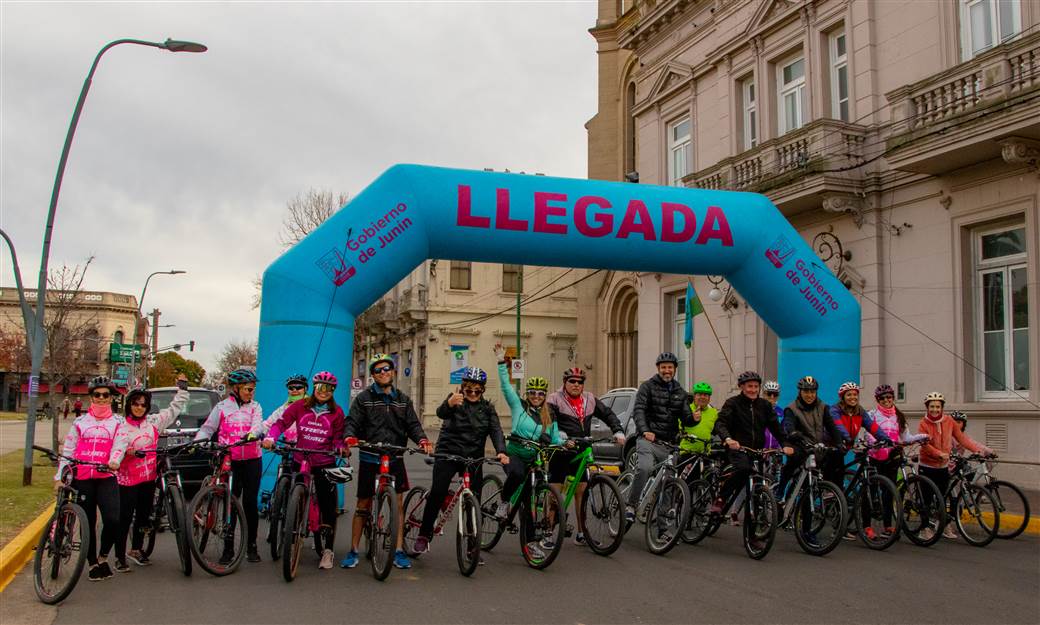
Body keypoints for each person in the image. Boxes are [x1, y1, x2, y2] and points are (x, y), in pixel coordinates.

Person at [341, 354, 432, 570]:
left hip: (395, 457)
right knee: (363, 504)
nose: (384, 372)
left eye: (387, 368)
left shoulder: (403, 400)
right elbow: (352, 422)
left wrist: (422, 440)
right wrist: (350, 436)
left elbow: (413, 425)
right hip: (370, 456)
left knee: (397, 505)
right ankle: (353, 550)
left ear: (393, 371)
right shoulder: (363, 398)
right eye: (379, 370)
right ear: (373, 375)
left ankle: (398, 550)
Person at [414, 365, 509, 555]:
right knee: (438, 492)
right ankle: (424, 535)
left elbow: (496, 431)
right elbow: (441, 413)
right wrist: (449, 403)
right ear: (463, 387)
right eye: (469, 389)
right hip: (448, 453)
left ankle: (472, 546)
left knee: (473, 501)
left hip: (473, 458)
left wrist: (501, 451)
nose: (473, 393)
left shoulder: (488, 409)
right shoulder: (454, 400)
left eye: (477, 390)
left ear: (482, 389)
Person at [262, 371, 347, 570]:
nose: (324, 391)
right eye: (320, 387)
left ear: (333, 391)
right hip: (300, 458)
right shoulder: (300, 406)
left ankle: (328, 551)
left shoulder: (337, 412)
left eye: (329, 388)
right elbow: (281, 423)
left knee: (328, 506)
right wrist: (271, 438)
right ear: (314, 387)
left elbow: (337, 438)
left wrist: (340, 448)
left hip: (324, 462)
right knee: (292, 493)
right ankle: (292, 528)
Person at [491, 344, 563, 561]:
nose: (535, 396)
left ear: (544, 396)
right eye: (532, 393)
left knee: (529, 502)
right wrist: (500, 361)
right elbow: (506, 387)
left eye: (540, 394)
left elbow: (556, 437)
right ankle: (504, 502)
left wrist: (562, 443)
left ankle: (530, 544)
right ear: (527, 394)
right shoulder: (518, 406)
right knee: (517, 474)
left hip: (535, 460)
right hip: (514, 453)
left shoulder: (549, 415)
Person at [112, 374, 189, 572]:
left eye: (143, 405)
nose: (139, 408)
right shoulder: (121, 426)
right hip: (126, 481)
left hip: (147, 478)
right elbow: (114, 450)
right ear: (129, 405)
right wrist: (124, 454)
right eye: (135, 404)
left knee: (143, 516)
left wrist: (182, 390)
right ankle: (119, 556)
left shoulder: (153, 423)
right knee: (125, 518)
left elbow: (173, 411)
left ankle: (136, 549)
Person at [56, 376, 127, 581]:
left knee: (113, 519)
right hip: (83, 477)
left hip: (107, 475)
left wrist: (114, 460)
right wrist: (59, 475)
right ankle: (92, 563)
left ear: (111, 398)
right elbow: (69, 450)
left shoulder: (118, 422)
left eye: (106, 395)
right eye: (97, 394)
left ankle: (104, 556)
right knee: (88, 522)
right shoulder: (79, 422)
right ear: (91, 397)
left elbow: (120, 444)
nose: (102, 398)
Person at [546, 366, 625, 546]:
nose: (576, 385)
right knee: (554, 494)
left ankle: (582, 534)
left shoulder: (589, 399)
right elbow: (550, 420)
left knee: (581, 493)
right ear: (564, 383)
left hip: (581, 450)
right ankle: (548, 532)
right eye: (572, 381)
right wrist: (559, 436)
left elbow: (607, 414)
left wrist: (618, 430)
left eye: (579, 382)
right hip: (561, 450)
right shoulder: (554, 399)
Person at [194, 368, 264, 563]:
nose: (251, 393)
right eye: (248, 389)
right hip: (230, 459)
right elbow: (208, 428)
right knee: (230, 503)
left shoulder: (255, 407)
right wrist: (197, 442)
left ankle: (251, 545)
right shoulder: (222, 407)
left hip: (252, 459)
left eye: (253, 389)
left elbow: (259, 424)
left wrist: (252, 434)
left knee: (250, 503)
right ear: (236, 388)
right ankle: (229, 548)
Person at [626, 352, 695, 522]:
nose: (667, 370)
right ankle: (631, 505)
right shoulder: (647, 387)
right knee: (644, 468)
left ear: (675, 369)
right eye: (663, 367)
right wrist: (644, 430)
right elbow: (639, 410)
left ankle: (662, 523)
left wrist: (693, 419)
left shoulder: (680, 391)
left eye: (670, 367)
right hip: (648, 440)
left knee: (670, 482)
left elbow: (685, 418)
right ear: (658, 369)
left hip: (669, 444)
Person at [713, 371, 793, 516]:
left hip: (757, 451)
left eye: (756, 386)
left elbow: (776, 427)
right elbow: (721, 423)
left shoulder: (764, 406)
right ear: (741, 387)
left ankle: (754, 532)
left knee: (756, 487)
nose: (753, 390)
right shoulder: (733, 403)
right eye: (749, 386)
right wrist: (728, 439)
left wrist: (785, 444)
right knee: (744, 469)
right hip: (738, 448)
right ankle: (721, 498)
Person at [917, 392, 993, 540]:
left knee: (942, 497)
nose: (935, 410)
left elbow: (962, 439)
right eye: (932, 406)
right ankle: (924, 528)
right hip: (927, 465)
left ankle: (943, 525)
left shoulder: (949, 421)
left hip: (943, 467)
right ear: (927, 407)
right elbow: (924, 445)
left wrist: (978, 451)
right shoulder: (923, 423)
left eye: (938, 407)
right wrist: (938, 453)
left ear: (942, 407)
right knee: (926, 499)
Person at [863, 384, 930, 538]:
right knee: (870, 492)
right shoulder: (872, 415)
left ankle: (887, 526)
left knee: (889, 493)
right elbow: (868, 434)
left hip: (892, 458)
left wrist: (922, 437)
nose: (886, 400)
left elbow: (907, 438)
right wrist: (877, 442)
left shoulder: (899, 416)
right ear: (877, 400)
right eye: (882, 398)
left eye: (889, 397)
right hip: (875, 457)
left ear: (893, 397)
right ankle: (867, 526)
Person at [777, 375, 847, 502]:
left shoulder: (823, 407)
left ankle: (829, 489)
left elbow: (832, 427)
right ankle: (780, 491)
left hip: (816, 446)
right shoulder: (791, 409)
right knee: (792, 463)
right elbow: (789, 426)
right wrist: (793, 433)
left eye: (812, 392)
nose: (809, 395)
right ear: (800, 392)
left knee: (835, 456)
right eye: (806, 392)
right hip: (799, 444)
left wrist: (839, 443)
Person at [260, 374, 308, 443]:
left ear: (305, 389)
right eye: (291, 388)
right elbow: (268, 423)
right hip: (289, 447)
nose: (294, 390)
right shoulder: (284, 408)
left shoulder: (311, 406)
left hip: (307, 448)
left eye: (298, 387)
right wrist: (257, 433)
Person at [679, 381, 718, 456]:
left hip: (705, 454)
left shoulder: (714, 412)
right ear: (694, 396)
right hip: (687, 452)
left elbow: (718, 429)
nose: (702, 397)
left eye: (705, 395)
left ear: (709, 398)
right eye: (699, 394)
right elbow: (678, 426)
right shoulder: (686, 409)